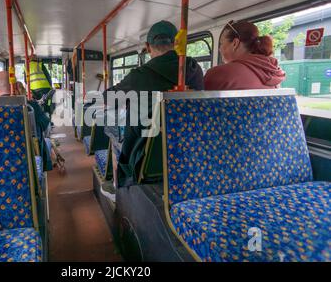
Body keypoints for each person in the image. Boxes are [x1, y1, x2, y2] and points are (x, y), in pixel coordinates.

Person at [101, 20, 204, 198]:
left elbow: (108, 99)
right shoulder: (195, 69)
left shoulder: (139, 75)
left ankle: (119, 186)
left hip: (144, 154)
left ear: (148, 47)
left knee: (114, 136)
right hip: (189, 148)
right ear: (175, 43)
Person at [204, 20, 286, 90]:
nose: (219, 49)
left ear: (235, 43)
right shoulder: (274, 73)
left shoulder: (218, 74)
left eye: (221, 43)